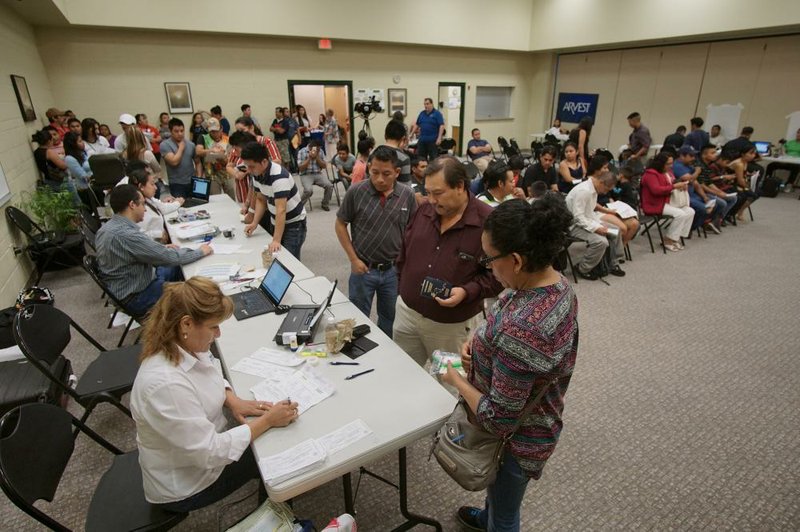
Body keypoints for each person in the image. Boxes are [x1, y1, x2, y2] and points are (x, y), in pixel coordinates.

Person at [442, 197, 578, 532]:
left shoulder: (524, 331)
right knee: (498, 494)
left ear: (516, 260)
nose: (488, 267)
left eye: (489, 259)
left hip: (517, 441)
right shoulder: (554, 283)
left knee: (505, 513)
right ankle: (487, 518)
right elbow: (507, 307)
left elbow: (499, 420)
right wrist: (480, 339)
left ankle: (493, 521)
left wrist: (457, 381)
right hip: (532, 422)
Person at [130, 277, 298, 511]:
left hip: (194, 454)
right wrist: (267, 421)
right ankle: (273, 520)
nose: (218, 334)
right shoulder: (166, 385)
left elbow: (209, 365)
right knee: (275, 449)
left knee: (266, 434)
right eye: (213, 327)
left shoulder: (179, 343)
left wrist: (232, 399)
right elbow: (210, 453)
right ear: (186, 324)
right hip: (188, 485)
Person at [394, 156, 502, 367]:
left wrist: (467, 291)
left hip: (451, 327)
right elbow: (405, 250)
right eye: (428, 192)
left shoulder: (488, 223)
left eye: (438, 193)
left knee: (450, 385)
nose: (431, 200)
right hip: (407, 314)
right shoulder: (425, 210)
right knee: (401, 372)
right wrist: (403, 284)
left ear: (460, 186)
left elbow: (499, 276)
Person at [335, 146, 416, 337]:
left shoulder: (407, 195)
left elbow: (413, 232)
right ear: (369, 168)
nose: (380, 179)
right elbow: (340, 224)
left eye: (386, 174)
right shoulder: (356, 192)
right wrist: (353, 259)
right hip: (363, 268)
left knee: (390, 319)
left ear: (397, 172)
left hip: (393, 271)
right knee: (357, 318)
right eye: (375, 172)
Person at [95, 184, 211, 316]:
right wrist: (200, 251)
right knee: (194, 294)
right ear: (132, 205)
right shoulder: (127, 235)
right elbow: (169, 258)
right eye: (143, 204)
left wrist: (160, 248)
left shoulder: (109, 227)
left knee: (177, 268)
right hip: (136, 296)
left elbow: (144, 252)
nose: (145, 210)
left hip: (128, 285)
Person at [240, 141, 308, 259]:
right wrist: (255, 223)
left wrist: (276, 240)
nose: (249, 170)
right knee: (276, 258)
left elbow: (281, 210)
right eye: (247, 166)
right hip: (276, 221)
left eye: (251, 166)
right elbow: (261, 199)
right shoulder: (257, 173)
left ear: (264, 162)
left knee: (290, 263)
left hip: (293, 225)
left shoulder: (279, 177)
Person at [565, 170, 626, 279]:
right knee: (601, 242)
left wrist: (599, 225)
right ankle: (582, 268)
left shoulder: (593, 188)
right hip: (574, 225)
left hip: (588, 220)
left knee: (616, 230)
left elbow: (589, 211)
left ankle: (613, 263)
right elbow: (578, 217)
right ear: (601, 183)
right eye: (607, 189)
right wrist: (596, 228)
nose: (606, 192)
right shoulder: (584, 191)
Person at [640, 152, 694, 252]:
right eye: (668, 164)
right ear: (661, 163)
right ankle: (668, 240)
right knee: (681, 214)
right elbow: (656, 190)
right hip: (654, 204)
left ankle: (675, 238)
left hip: (667, 201)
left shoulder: (667, 172)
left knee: (690, 211)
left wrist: (680, 185)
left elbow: (672, 183)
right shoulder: (650, 174)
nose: (671, 166)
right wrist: (674, 187)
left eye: (671, 163)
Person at [672, 145, 724, 233]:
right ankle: (688, 229)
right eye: (691, 156)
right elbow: (690, 178)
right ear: (682, 156)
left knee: (719, 203)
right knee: (703, 209)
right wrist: (697, 171)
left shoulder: (688, 165)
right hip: (684, 196)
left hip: (694, 194)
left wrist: (704, 197)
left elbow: (696, 183)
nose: (693, 158)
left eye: (694, 156)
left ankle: (704, 223)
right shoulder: (677, 166)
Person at [127, 166, 183, 242]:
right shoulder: (138, 208)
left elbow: (162, 207)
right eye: (152, 184)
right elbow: (140, 236)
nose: (156, 187)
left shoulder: (148, 198)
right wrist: (159, 234)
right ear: (141, 186)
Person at [696, 144, 737, 223]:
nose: (715, 155)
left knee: (732, 198)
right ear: (704, 154)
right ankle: (708, 221)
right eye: (712, 153)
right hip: (699, 192)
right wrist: (717, 193)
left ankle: (715, 221)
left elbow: (709, 182)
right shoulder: (699, 165)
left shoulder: (707, 165)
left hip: (706, 190)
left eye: (715, 152)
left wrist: (719, 192)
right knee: (722, 203)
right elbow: (701, 185)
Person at [160, 117, 198, 198]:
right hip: (176, 184)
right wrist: (181, 148)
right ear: (170, 131)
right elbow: (174, 162)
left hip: (192, 181)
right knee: (181, 208)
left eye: (182, 131)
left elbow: (197, 162)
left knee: (196, 205)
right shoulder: (165, 145)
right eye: (176, 131)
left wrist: (199, 177)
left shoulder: (191, 144)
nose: (180, 133)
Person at [196, 117, 233, 198]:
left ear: (221, 129)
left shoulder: (228, 140)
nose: (214, 133)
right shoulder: (203, 137)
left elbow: (230, 159)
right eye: (212, 131)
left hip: (227, 173)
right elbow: (198, 151)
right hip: (212, 174)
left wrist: (221, 157)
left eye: (216, 131)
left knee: (231, 196)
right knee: (216, 198)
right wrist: (212, 150)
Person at [724, 145, 759, 222]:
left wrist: (750, 175)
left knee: (756, 193)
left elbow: (742, 175)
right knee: (749, 194)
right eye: (751, 153)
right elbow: (740, 180)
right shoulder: (739, 164)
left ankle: (739, 211)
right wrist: (748, 187)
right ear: (743, 154)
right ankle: (731, 213)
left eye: (754, 153)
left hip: (736, 182)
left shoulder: (745, 162)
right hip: (729, 183)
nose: (753, 156)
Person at [296, 140, 334, 211]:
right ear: (311, 147)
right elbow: (300, 168)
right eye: (317, 149)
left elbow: (324, 166)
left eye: (319, 149)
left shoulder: (320, 151)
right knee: (308, 190)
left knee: (329, 186)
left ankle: (325, 203)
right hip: (305, 175)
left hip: (318, 174)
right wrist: (309, 158)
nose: (319, 150)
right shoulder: (301, 152)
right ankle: (299, 206)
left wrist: (317, 157)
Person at [62, 131, 92, 205]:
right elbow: (83, 176)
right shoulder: (69, 158)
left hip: (93, 186)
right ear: (73, 144)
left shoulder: (82, 153)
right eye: (80, 141)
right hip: (85, 189)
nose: (83, 143)